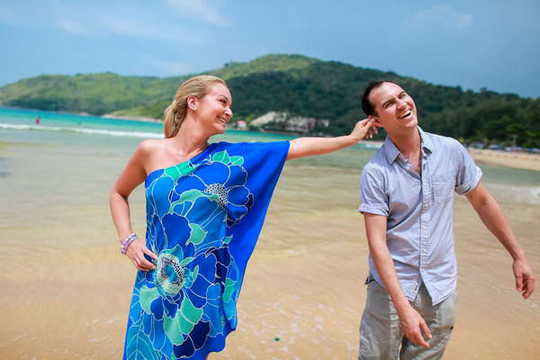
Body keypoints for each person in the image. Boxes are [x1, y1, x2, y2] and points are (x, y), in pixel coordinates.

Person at [110, 75, 376, 360]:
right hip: (153, 283)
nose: (229, 111)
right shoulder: (150, 152)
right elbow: (118, 194)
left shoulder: (229, 160)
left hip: (199, 290)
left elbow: (294, 146)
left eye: (230, 105)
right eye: (222, 101)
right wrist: (129, 240)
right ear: (194, 102)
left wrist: (351, 138)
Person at [357, 81, 536, 359]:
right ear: (377, 120)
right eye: (389, 103)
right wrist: (403, 307)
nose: (402, 104)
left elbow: (483, 201)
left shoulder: (450, 150)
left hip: (440, 288)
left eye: (402, 96)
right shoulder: (375, 172)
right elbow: (377, 243)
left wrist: (518, 255)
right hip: (391, 292)